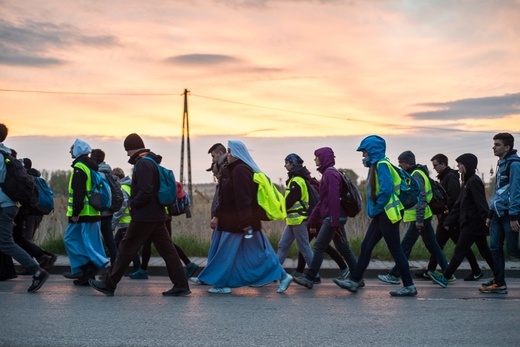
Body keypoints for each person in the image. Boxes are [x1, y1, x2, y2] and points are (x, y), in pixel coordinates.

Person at [89, 133, 190, 296]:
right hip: (157, 215)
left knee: (125, 248)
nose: (127, 154)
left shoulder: (143, 164)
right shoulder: (151, 161)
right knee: (168, 250)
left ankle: (109, 284)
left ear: (132, 148)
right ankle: (181, 284)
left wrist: (132, 203)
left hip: (145, 216)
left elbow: (145, 191)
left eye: (127, 150)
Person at [196, 140, 293, 294]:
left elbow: (243, 199)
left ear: (236, 153)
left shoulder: (240, 171)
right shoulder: (237, 170)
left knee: (226, 253)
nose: (228, 155)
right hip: (242, 223)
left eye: (229, 152)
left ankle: (222, 284)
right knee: (260, 253)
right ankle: (283, 275)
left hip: (238, 224)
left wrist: (245, 223)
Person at [333, 135, 417, 296]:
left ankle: (409, 286)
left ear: (372, 151)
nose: (363, 156)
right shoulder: (377, 165)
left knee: (395, 250)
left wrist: (376, 209)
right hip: (383, 213)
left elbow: (385, 190)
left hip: (387, 213)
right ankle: (354, 281)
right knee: (366, 247)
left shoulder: (382, 165)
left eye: (364, 152)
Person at [378, 150, 449, 285]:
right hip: (422, 216)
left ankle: (394, 275)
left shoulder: (416, 175)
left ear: (407, 163)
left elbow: (421, 198)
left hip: (420, 217)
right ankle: (448, 272)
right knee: (433, 246)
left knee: (405, 246)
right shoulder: (417, 173)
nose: (399, 166)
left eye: (401, 163)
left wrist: (419, 220)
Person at [429, 154, 497, 290]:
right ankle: (498, 277)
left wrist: (487, 219)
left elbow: (481, 203)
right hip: (470, 223)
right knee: (485, 252)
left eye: (460, 164)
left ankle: (445, 277)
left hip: (473, 224)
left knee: (459, 251)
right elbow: (459, 205)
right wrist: (449, 221)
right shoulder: (467, 181)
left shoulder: (473, 181)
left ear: (468, 165)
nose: (458, 167)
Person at [293, 147, 357, 289]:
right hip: (334, 217)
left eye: (317, 157)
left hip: (334, 218)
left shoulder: (330, 174)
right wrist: (312, 219)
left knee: (319, 246)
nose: (315, 159)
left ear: (323, 158)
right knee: (344, 249)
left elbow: (334, 198)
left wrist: (334, 220)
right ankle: (357, 277)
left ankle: (309, 278)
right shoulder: (328, 174)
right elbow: (323, 201)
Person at [416, 154, 482, 280]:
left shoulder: (450, 177)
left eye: (435, 165)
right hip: (446, 218)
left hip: (450, 219)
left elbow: (454, 198)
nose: (434, 168)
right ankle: (430, 270)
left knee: (461, 246)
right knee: (439, 243)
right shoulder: (445, 177)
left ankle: (476, 270)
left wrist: (447, 215)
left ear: (443, 164)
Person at [0, 123, 49, 292]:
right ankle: (37, 268)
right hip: (9, 205)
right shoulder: (7, 155)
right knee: (5, 242)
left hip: (3, 206)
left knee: (6, 243)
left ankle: (37, 270)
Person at [63, 139, 109, 285]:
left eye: (72, 149)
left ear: (77, 151)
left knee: (72, 240)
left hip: (83, 214)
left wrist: (76, 212)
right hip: (92, 213)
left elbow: (79, 192)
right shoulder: (90, 167)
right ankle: (84, 273)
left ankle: (93, 266)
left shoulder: (80, 168)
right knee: (87, 241)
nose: (70, 151)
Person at [483, 132, 520, 294]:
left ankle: (499, 282)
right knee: (495, 249)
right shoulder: (501, 163)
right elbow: (498, 192)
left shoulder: (514, 165)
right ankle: (499, 283)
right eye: (494, 144)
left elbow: (515, 191)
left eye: (497, 145)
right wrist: (490, 215)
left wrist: (514, 217)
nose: (494, 147)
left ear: (507, 147)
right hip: (497, 215)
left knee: (512, 250)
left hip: (509, 216)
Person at [13, 158, 57, 273]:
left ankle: (33, 264)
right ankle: (44, 258)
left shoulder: (26, 178)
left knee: (25, 238)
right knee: (27, 238)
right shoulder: (38, 178)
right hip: (39, 212)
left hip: (30, 213)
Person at [276, 154, 314, 271]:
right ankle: (274, 273)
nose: (284, 165)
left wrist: (277, 209)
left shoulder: (296, 181)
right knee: (282, 245)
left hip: (298, 220)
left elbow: (289, 201)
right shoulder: (296, 179)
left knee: (304, 248)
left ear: (292, 164)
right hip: (293, 220)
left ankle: (314, 274)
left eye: (286, 163)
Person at [90, 149, 118, 265]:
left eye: (91, 158)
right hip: (109, 211)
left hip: (99, 211)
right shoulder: (110, 173)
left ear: (95, 159)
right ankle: (115, 266)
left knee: (95, 241)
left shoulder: (98, 174)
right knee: (110, 241)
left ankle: (99, 265)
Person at [111, 168, 141, 275]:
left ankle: (133, 268)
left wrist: (113, 224)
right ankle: (133, 268)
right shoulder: (128, 186)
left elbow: (121, 207)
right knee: (125, 245)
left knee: (126, 246)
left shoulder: (122, 188)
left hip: (126, 222)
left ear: (118, 178)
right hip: (129, 221)